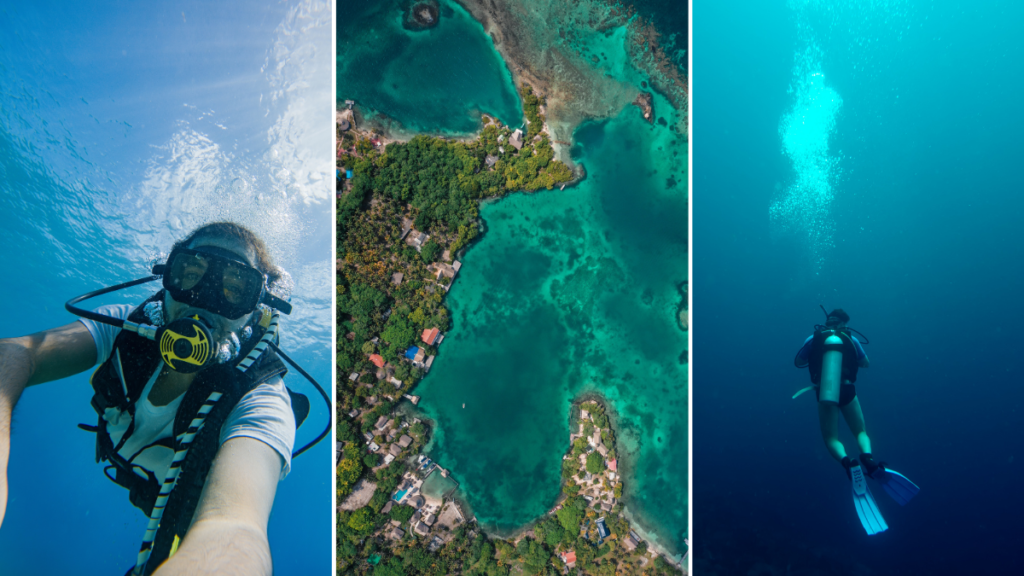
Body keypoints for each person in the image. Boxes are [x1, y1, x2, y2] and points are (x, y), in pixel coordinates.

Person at [0, 222, 304, 575]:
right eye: (191, 274)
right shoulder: (128, 325)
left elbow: (236, 527)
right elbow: (18, 353)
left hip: (174, 505)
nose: (204, 301)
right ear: (167, 278)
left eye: (235, 288)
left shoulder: (262, 400)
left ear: (257, 309)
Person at [794, 307, 918, 535]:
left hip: (824, 391)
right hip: (848, 390)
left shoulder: (814, 337)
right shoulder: (851, 339)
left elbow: (800, 360)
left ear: (827, 321)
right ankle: (868, 458)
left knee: (831, 437)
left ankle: (847, 462)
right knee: (860, 431)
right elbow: (865, 364)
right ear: (844, 323)